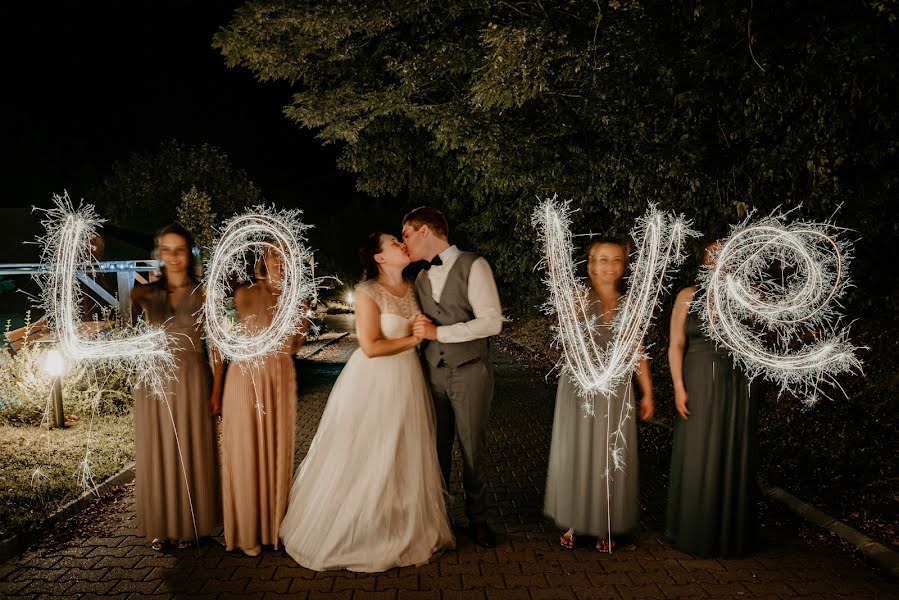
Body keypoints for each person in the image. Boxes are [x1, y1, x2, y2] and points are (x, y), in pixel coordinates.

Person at [280, 232, 453, 571]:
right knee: (370, 450)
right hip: (374, 381)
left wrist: (424, 330)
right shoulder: (367, 292)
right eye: (393, 243)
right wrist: (413, 340)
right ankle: (358, 528)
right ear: (380, 257)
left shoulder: (413, 287)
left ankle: (400, 523)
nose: (401, 245)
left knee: (402, 450)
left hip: (408, 380)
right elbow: (371, 347)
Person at [402, 206, 503, 548]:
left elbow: (492, 322)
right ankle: (438, 517)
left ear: (425, 231)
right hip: (431, 375)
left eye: (406, 235)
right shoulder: (419, 278)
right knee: (435, 449)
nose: (404, 244)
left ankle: (479, 519)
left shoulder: (475, 265)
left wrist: (439, 334)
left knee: (473, 447)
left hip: (471, 369)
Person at [544, 239, 655, 552]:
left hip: (617, 388)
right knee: (582, 451)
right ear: (591, 265)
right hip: (581, 386)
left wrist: (647, 391)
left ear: (623, 266)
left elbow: (637, 349)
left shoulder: (630, 304)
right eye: (602, 260)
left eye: (616, 260)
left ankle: (606, 522)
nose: (609, 266)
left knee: (610, 453)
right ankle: (577, 521)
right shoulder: (578, 297)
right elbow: (565, 337)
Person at [665, 241, 760, 556]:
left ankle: (730, 534)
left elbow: (762, 341)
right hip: (699, 380)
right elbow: (676, 344)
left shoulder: (750, 294)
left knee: (733, 448)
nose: (718, 259)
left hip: (738, 383)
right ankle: (692, 531)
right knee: (697, 451)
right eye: (711, 254)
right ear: (704, 260)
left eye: (726, 253)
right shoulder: (687, 296)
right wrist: (679, 386)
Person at [130, 224, 219, 551]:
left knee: (192, 445)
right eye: (166, 250)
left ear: (189, 253)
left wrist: (217, 388)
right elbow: (130, 339)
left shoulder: (205, 291)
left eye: (179, 249)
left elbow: (218, 346)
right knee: (159, 448)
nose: (173, 257)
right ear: (158, 254)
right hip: (154, 381)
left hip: (193, 376)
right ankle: (162, 527)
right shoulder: (143, 294)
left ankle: (192, 527)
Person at [214, 244, 307, 556]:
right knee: (246, 450)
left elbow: (294, 346)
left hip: (280, 379)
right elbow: (223, 336)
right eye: (273, 253)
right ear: (263, 259)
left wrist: (299, 316)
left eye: (285, 254)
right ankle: (247, 532)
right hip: (245, 380)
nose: (279, 259)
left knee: (276, 451)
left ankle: (272, 529)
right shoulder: (244, 295)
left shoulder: (298, 300)